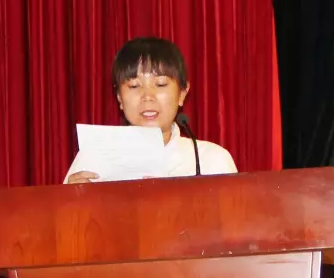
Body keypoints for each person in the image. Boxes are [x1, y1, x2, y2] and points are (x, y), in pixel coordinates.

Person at [65, 36, 238, 184]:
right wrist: (73, 201)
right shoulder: (92, 160)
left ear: (182, 94)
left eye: (160, 84)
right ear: (119, 98)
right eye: (134, 86)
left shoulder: (211, 161)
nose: (147, 96)